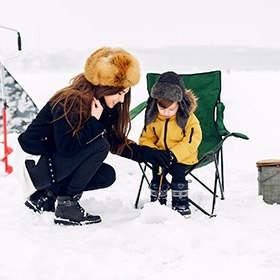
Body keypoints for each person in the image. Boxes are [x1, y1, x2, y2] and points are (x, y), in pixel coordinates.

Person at [16, 47, 147, 226]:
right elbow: (67, 147)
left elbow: (114, 141)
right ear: (105, 86)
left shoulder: (101, 106)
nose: (122, 100)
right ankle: (67, 205)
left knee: (106, 175)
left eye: (124, 94)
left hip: (49, 163)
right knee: (100, 146)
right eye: (119, 93)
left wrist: (148, 155)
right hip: (32, 164)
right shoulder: (71, 100)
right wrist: (94, 122)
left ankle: (47, 196)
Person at [139, 71, 202, 217]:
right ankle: (157, 202)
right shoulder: (153, 117)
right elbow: (145, 138)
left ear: (180, 104)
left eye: (171, 109)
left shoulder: (189, 119)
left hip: (182, 156)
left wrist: (175, 154)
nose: (166, 113)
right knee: (156, 172)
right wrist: (155, 152)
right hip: (161, 155)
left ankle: (180, 203)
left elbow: (192, 141)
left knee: (178, 173)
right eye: (162, 109)